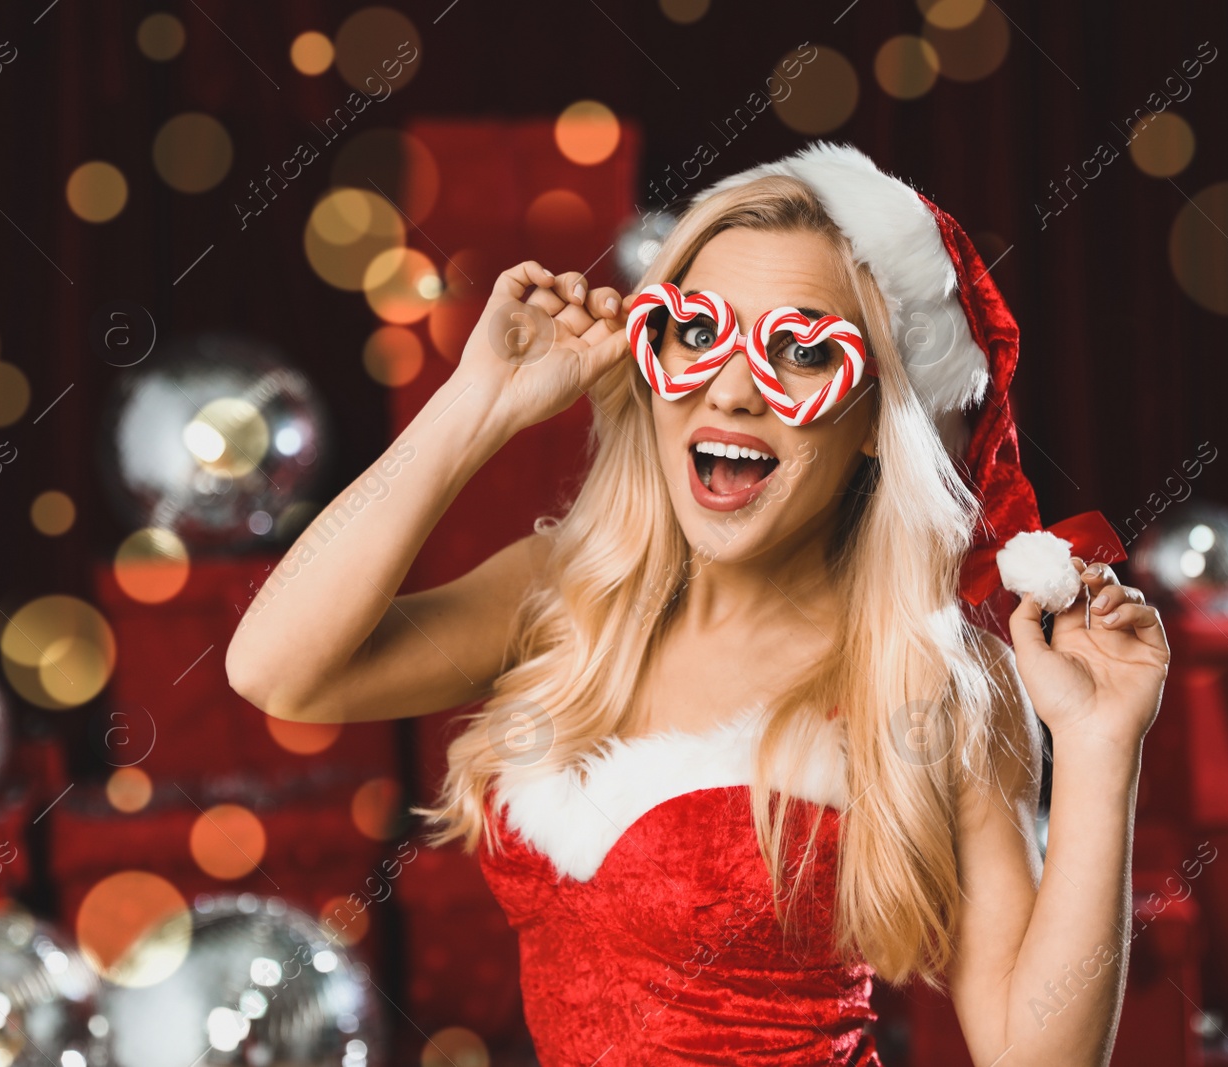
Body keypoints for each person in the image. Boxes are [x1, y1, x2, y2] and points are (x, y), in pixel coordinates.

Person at [226, 142, 1170, 1067]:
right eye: (697, 331)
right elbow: (276, 670)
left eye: (800, 352)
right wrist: (478, 403)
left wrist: (1097, 749)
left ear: (879, 423)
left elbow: (1034, 1049)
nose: (730, 388)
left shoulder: (934, 678)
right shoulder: (565, 592)